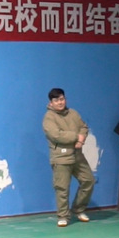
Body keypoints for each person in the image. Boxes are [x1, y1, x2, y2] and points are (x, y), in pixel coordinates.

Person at [42, 88, 94, 227]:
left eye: (62, 99)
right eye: (56, 100)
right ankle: (63, 216)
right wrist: (77, 137)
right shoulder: (49, 117)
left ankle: (79, 209)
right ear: (51, 102)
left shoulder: (73, 113)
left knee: (88, 180)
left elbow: (83, 127)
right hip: (61, 157)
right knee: (62, 188)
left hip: (77, 154)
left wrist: (81, 140)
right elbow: (56, 135)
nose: (60, 102)